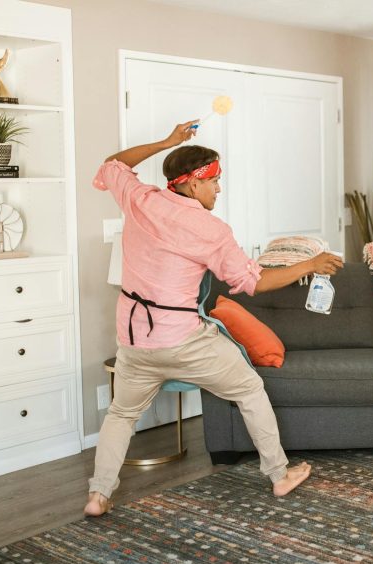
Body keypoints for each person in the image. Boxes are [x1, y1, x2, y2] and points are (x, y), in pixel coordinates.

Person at [84, 121, 343, 517]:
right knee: (250, 389)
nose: (218, 189)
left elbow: (112, 165)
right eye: (214, 181)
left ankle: (99, 495)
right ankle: (279, 474)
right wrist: (309, 263)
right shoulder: (210, 229)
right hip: (183, 340)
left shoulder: (140, 199)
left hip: (134, 340)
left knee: (121, 414)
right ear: (191, 184)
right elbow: (253, 282)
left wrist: (168, 142)